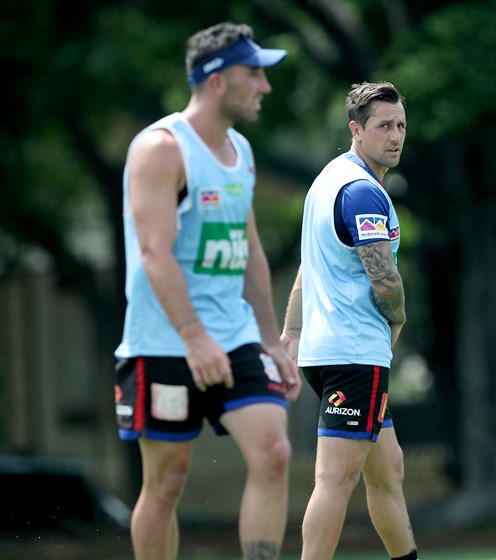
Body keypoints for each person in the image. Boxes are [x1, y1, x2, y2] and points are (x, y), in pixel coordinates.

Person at [113, 22, 301, 560]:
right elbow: (154, 252)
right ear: (217, 81)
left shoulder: (240, 150)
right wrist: (194, 337)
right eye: (254, 74)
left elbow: (251, 252)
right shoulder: (160, 148)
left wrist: (270, 341)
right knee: (167, 483)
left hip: (235, 335)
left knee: (273, 452)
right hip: (165, 342)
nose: (264, 87)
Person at [280, 81, 419, 560]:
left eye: (400, 125)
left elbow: (307, 266)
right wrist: (397, 321)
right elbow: (384, 279)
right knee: (335, 480)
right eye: (384, 126)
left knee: (387, 471)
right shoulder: (362, 192)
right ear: (356, 130)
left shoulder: (329, 179)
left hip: (330, 350)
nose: (395, 135)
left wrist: (292, 332)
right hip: (354, 354)